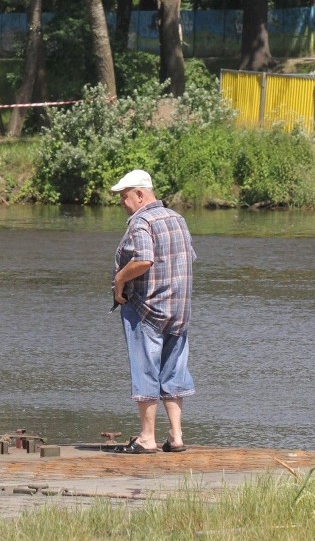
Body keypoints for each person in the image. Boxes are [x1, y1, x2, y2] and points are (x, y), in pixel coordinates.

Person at [110, 168, 196, 454]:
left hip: (146, 309)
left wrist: (120, 279)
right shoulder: (177, 218)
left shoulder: (141, 222)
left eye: (124, 196)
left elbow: (144, 260)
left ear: (140, 194)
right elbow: (187, 258)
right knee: (174, 371)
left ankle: (147, 438)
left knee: (145, 369)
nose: (122, 202)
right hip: (180, 310)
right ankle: (176, 436)